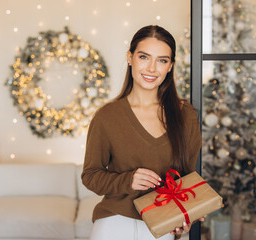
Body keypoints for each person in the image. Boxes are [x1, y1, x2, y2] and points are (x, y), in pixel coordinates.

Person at [81, 25, 203, 240]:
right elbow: (91, 176)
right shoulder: (107, 117)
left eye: (162, 60)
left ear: (170, 66)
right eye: (144, 57)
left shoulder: (186, 115)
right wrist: (128, 180)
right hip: (113, 223)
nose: (152, 68)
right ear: (130, 58)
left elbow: (188, 178)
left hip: (160, 226)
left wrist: (186, 215)